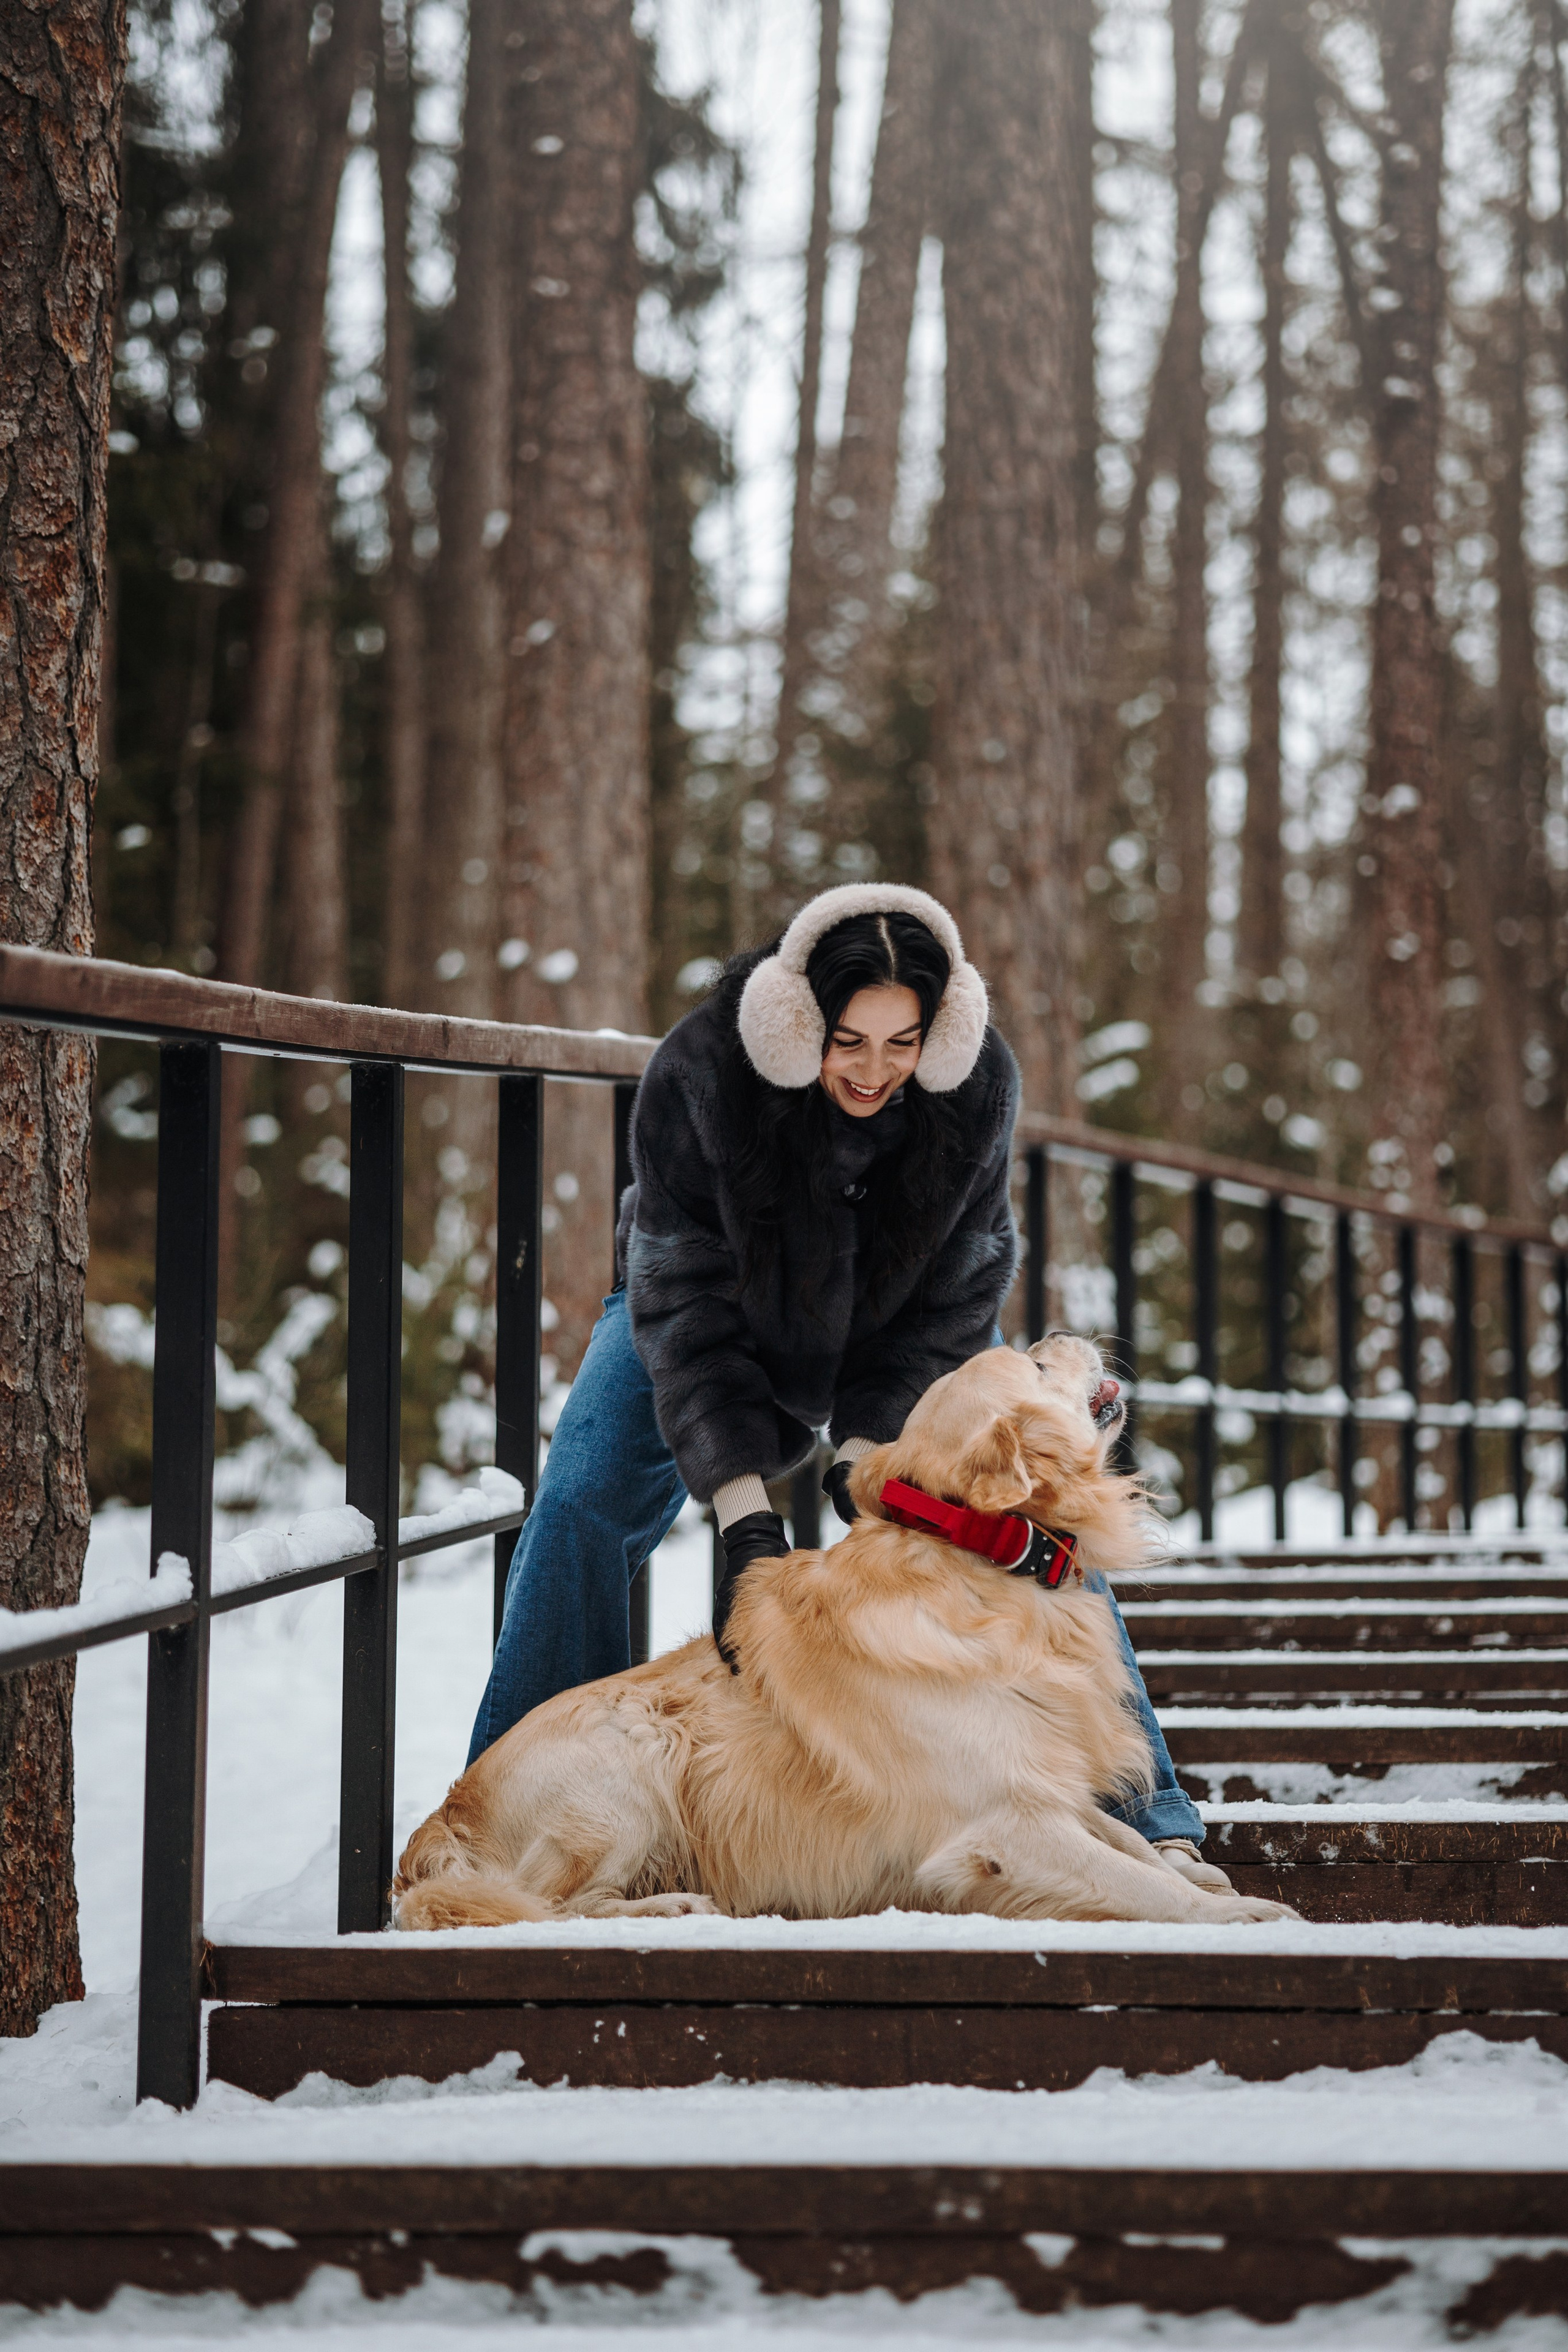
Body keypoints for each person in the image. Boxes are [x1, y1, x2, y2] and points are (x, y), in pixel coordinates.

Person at [468, 883, 1221, 1884]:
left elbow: (957, 1288)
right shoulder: (699, 1072)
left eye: (902, 1043)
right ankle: (493, 1822)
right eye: (848, 1041)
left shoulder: (977, 1084)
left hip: (902, 1322)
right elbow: (679, 1305)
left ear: (938, 1034)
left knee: (1044, 1518)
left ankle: (1145, 1813)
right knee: (577, 1508)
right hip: (711, 1314)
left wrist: (877, 1464)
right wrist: (745, 1517)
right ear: (796, 1023)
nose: (875, 1071)